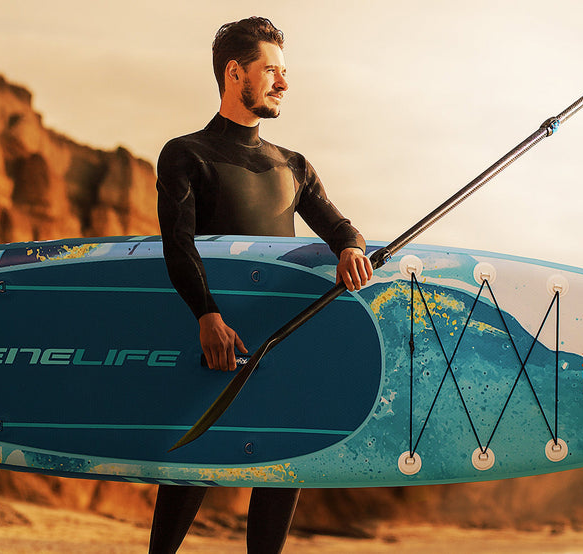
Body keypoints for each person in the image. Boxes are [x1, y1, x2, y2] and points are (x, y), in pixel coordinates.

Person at [151, 16, 373, 554]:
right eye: (271, 70)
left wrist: (351, 249)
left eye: (284, 71)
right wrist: (206, 314)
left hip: (283, 336)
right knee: (195, 461)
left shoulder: (292, 167)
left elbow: (340, 226)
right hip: (219, 334)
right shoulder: (186, 154)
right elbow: (177, 244)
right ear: (235, 74)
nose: (284, 83)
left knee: (282, 464)